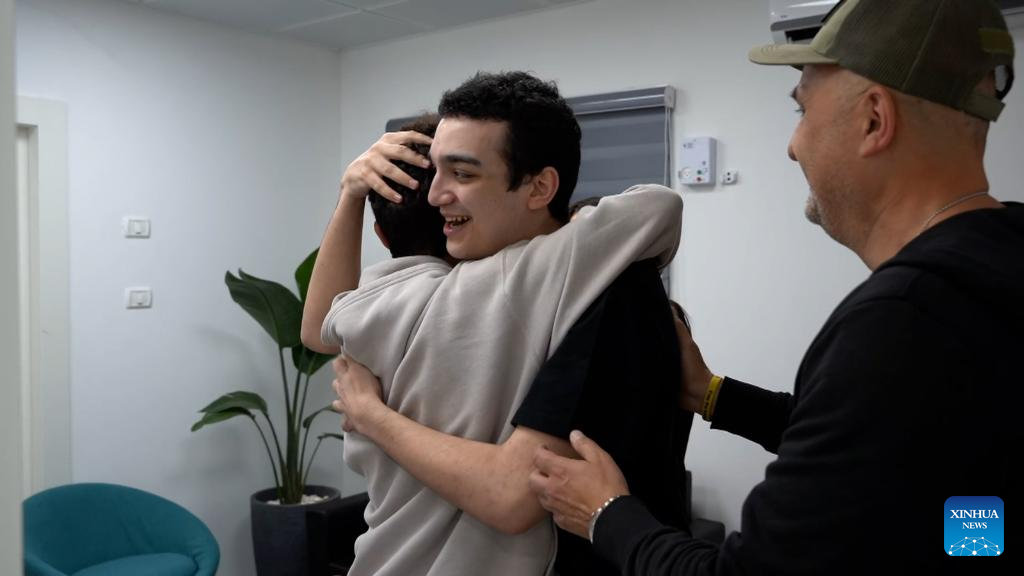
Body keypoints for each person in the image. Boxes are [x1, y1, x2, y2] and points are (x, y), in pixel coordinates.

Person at [529, 0, 1022, 573]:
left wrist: (606, 514)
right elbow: (885, 453)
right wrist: (709, 393)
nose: (793, 145)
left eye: (802, 110)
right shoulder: (998, 265)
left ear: (873, 120)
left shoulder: (904, 322)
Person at [303, 71, 683, 575]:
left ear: (539, 187)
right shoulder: (469, 284)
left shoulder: (600, 289)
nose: (436, 195)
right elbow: (660, 205)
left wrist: (371, 414)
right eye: (436, 173)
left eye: (462, 173)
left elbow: (511, 496)